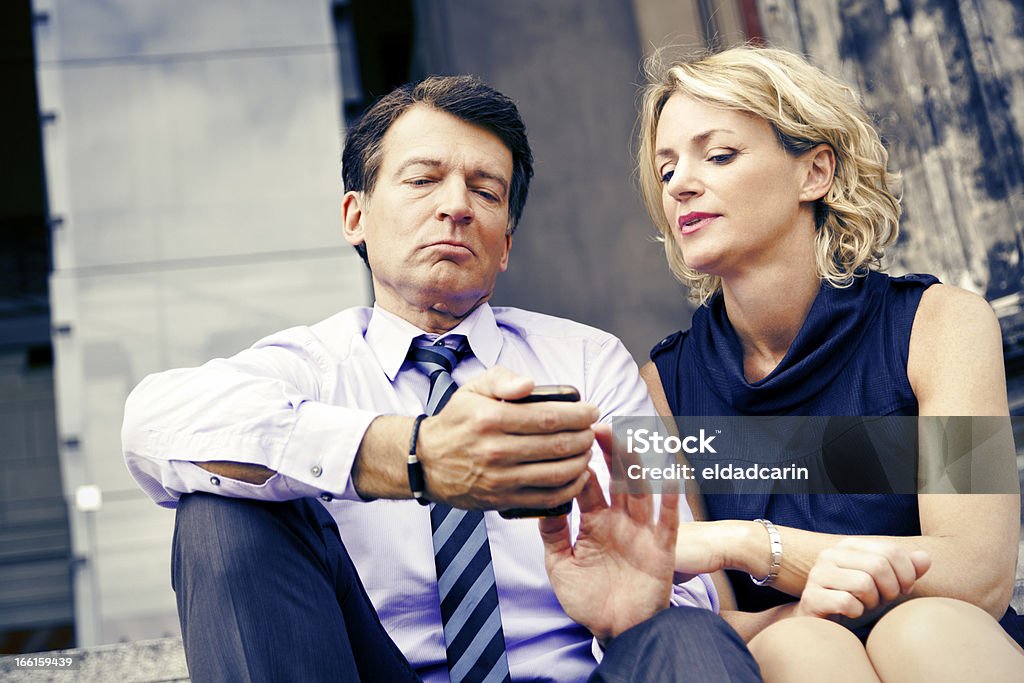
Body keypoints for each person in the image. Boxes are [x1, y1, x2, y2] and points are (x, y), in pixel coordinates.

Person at [122, 75, 761, 682]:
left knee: (686, 636)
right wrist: (412, 454)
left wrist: (632, 619)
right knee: (222, 505)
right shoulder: (310, 368)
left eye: (486, 192)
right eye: (423, 180)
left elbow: (678, 566)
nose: (455, 206)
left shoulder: (591, 362)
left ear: (505, 243)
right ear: (356, 218)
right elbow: (151, 423)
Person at [635, 45, 1024, 681]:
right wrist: (799, 614)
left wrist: (756, 545)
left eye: (719, 154)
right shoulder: (661, 389)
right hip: (792, 658)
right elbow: (702, 622)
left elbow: (977, 576)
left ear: (815, 173)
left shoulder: (940, 325)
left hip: (950, 644)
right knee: (802, 649)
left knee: (920, 628)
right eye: (667, 167)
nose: (680, 183)